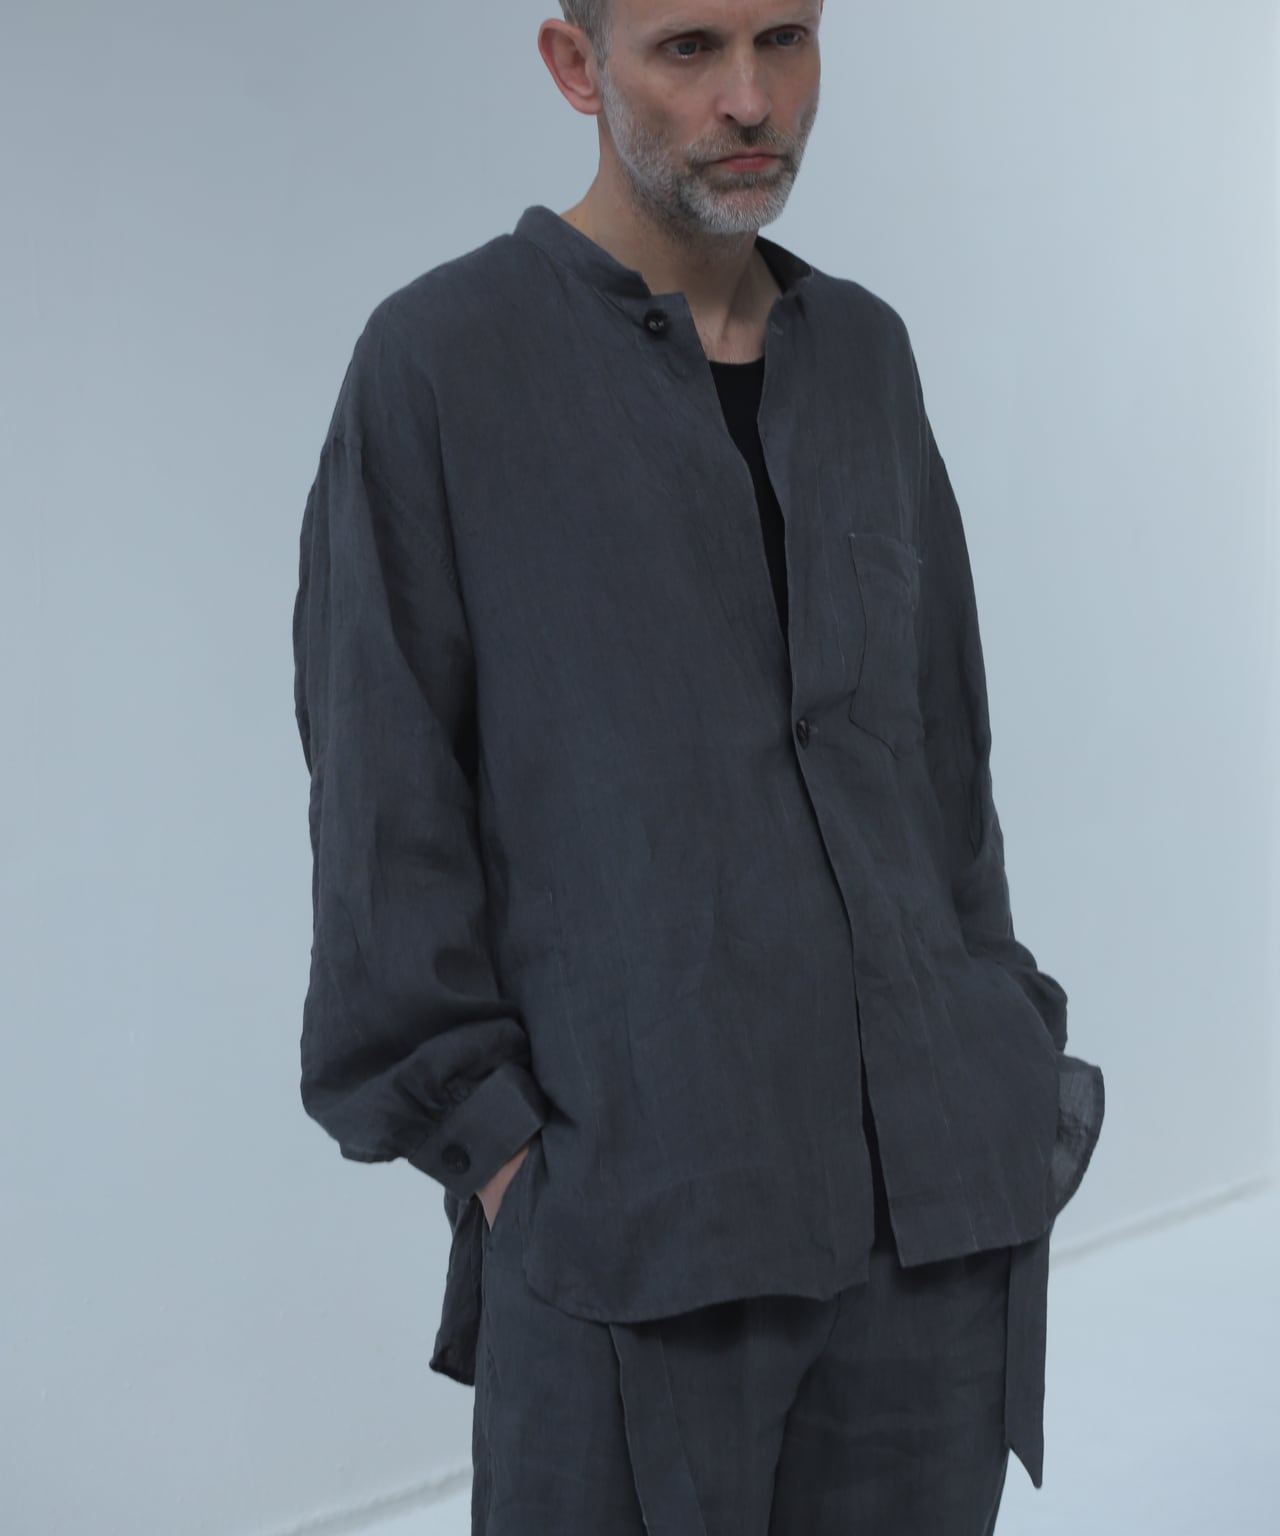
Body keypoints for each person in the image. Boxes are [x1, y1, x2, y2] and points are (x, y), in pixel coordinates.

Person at [290, 2, 1105, 1531]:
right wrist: (501, 1154)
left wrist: (999, 1020)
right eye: (688, 47)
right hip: (637, 1225)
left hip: (937, 1216)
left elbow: (942, 752)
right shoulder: (443, 361)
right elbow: (383, 795)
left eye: (784, 38)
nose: (749, 97)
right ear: (575, 65)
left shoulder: (864, 354)